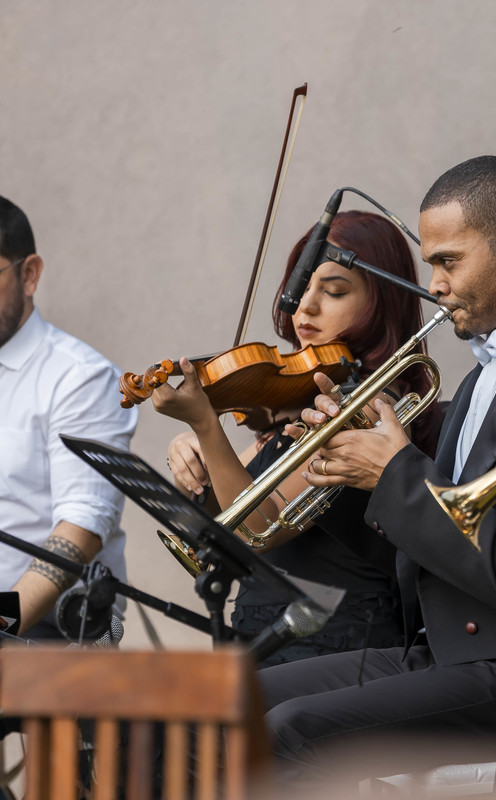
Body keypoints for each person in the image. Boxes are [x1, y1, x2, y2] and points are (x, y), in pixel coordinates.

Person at [256, 156, 496, 785]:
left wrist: (396, 473)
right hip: (447, 648)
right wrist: (354, 464)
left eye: (448, 262)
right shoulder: (481, 377)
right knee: (237, 698)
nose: (433, 284)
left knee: (292, 730)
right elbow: (438, 537)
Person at [153, 210, 443, 666]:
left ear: (380, 303)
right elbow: (221, 515)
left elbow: (256, 526)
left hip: (333, 646)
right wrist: (192, 459)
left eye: (334, 292)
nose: (305, 306)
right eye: (301, 287)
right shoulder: (301, 395)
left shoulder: (370, 404)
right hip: (272, 633)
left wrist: (207, 427)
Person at [0, 195, 137, 639]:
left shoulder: (80, 378)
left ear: (29, 273)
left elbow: (80, 530)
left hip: (51, 625)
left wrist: (2, 625)